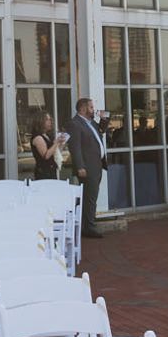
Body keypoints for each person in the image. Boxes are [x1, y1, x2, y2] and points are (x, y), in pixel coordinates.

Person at [67, 96, 106, 237]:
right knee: (89, 197)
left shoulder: (90, 123)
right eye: (91, 107)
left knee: (92, 196)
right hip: (87, 167)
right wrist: (80, 167)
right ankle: (89, 227)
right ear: (82, 108)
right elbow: (75, 147)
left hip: (96, 164)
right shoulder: (75, 124)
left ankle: (87, 226)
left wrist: (103, 119)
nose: (93, 109)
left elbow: (101, 130)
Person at [28, 111, 64, 181]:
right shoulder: (38, 137)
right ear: (40, 121)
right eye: (47, 119)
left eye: (50, 119)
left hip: (51, 170)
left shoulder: (47, 136)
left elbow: (54, 151)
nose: (50, 121)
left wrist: (60, 143)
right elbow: (46, 156)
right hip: (44, 172)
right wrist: (56, 143)